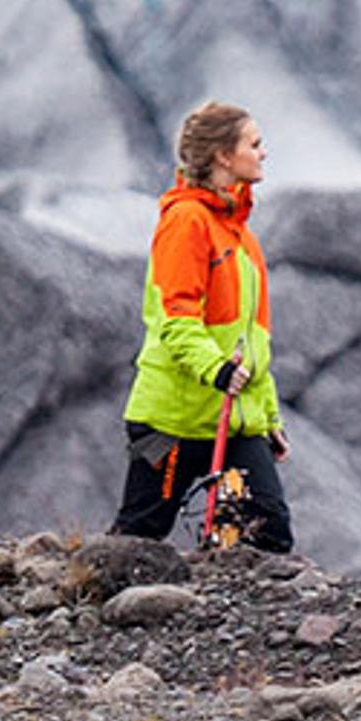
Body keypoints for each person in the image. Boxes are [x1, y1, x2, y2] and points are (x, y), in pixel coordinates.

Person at [116, 97, 291, 553]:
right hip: (173, 420)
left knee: (268, 535)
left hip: (232, 421)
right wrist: (215, 370)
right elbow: (177, 320)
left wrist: (268, 416)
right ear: (223, 156)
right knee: (139, 537)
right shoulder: (186, 222)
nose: (263, 152)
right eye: (254, 144)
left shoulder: (241, 236)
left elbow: (254, 340)